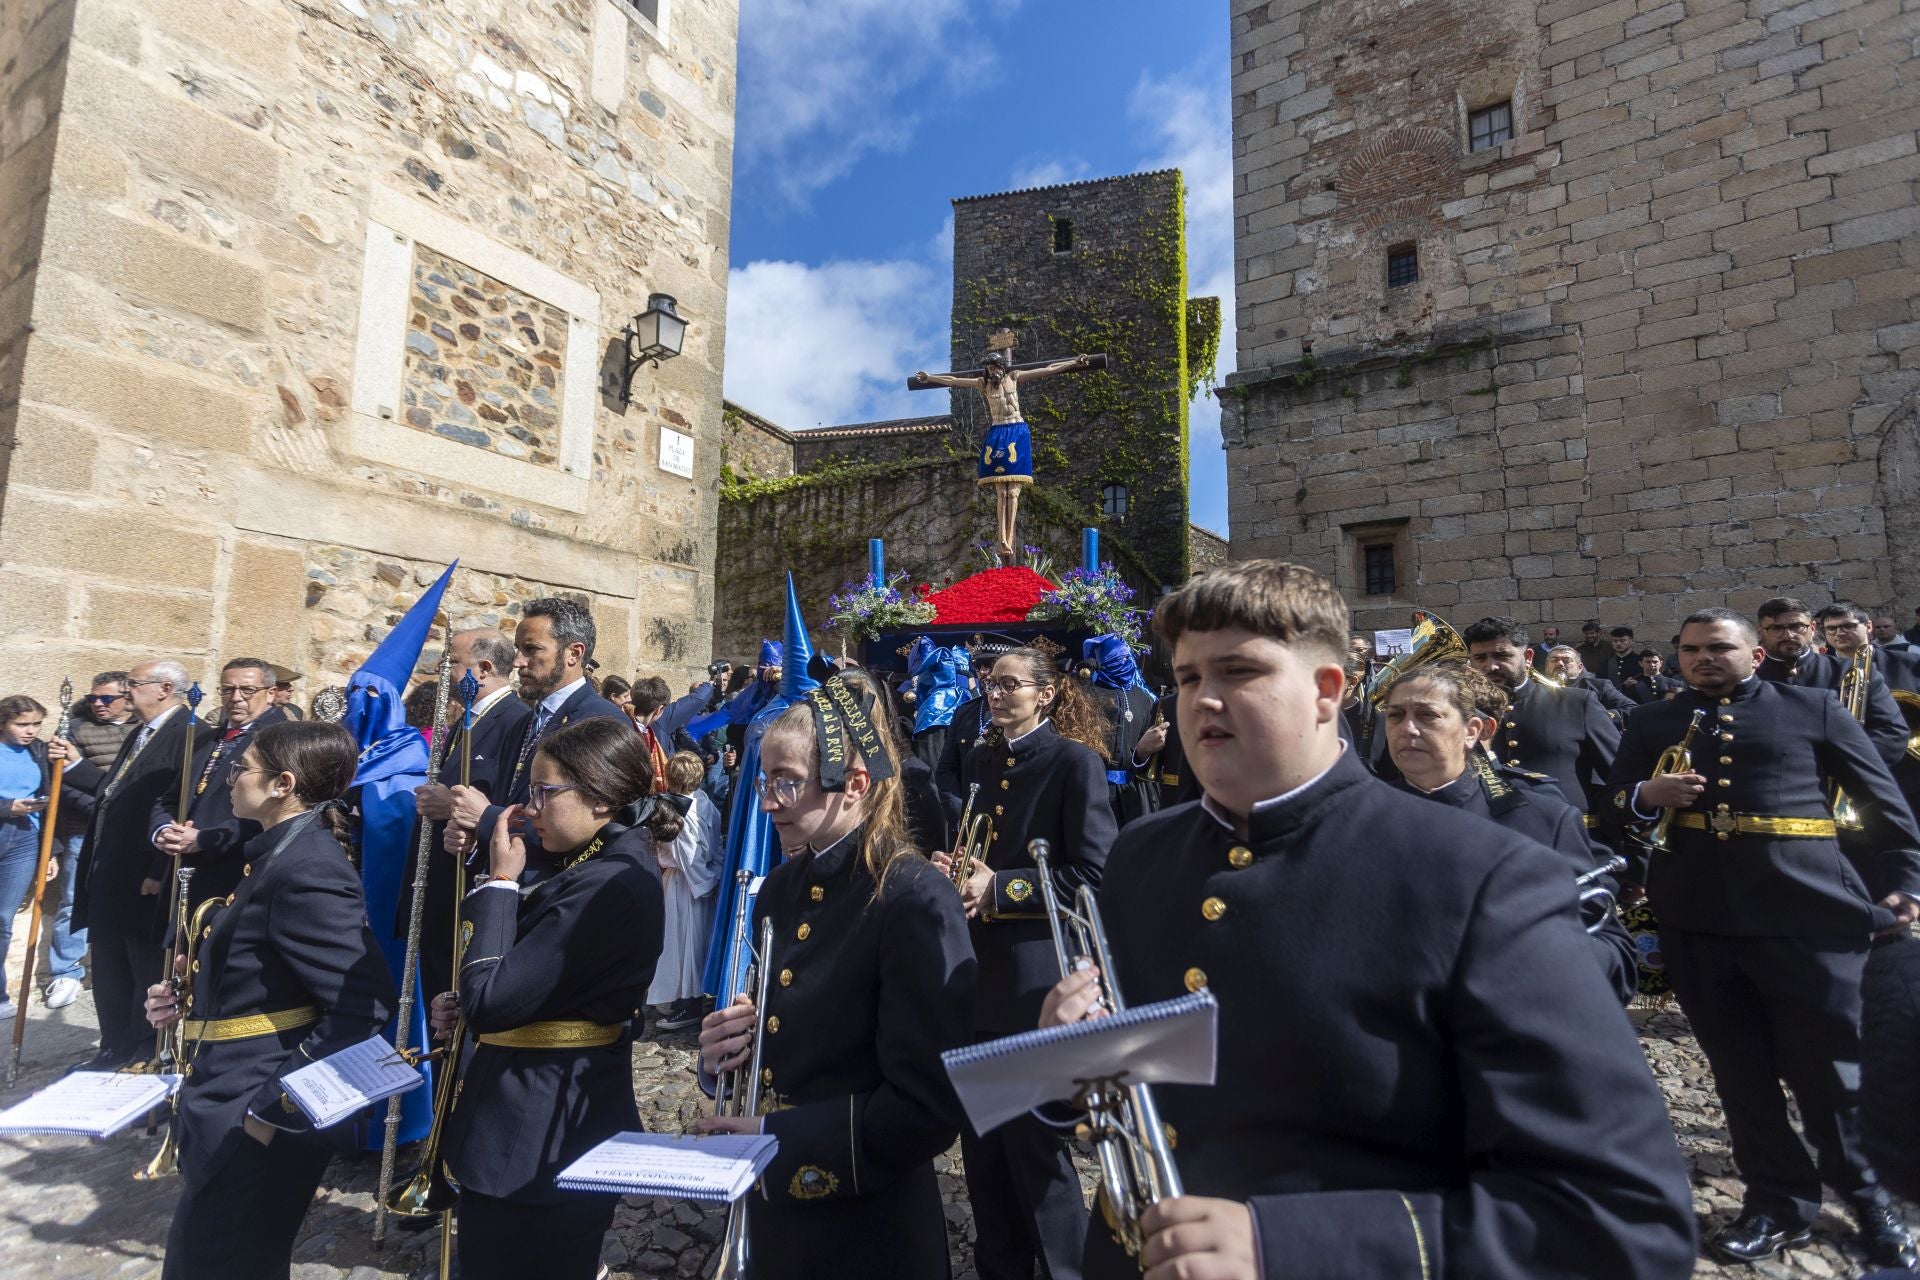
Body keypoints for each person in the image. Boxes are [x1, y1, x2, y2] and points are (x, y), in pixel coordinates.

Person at [1039, 560, 1696, 1279]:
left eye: (1239, 673)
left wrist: (1286, 1244)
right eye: (1191, 677)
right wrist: (1077, 1066)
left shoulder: (1484, 877)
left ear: (1329, 691)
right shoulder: (1143, 852)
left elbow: (1623, 1220)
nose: (1204, 701)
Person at [1604, 609, 1920, 1267]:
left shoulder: (1816, 710)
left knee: (1831, 1073)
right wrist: (1644, 793)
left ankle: (1868, 1201)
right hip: (1699, 923)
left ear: (1752, 652)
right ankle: (1777, 1202)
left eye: (1718, 647)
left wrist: (1907, 886)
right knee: (1740, 1075)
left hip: (1807, 919)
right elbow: (1610, 806)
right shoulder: (1651, 721)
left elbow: (1888, 810)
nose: (1702, 659)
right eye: (1690, 649)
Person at [692, 670, 976, 1278]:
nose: (768, 802)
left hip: (866, 1224)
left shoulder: (913, 897)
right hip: (777, 1206)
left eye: (788, 784)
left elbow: (928, 1104)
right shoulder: (781, 890)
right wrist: (722, 1059)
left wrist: (779, 1139)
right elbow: (780, 1039)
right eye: (765, 781)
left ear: (853, 784)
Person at [142, 720, 398, 1280]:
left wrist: (275, 1106)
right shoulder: (274, 851)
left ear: (283, 784)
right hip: (225, 1087)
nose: (230, 779)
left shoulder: (308, 869)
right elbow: (263, 970)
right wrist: (187, 1002)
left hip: (253, 1108)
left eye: (242, 769)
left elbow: (363, 1005)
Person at [431, 717, 673, 1280]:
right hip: (525, 1118)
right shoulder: (595, 858)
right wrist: (466, 1002)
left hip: (536, 1140)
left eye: (544, 792)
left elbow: (494, 999)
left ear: (602, 796)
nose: (531, 808)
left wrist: (498, 883)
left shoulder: (607, 884)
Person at [932, 646, 1115, 1280]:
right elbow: (976, 848)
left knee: (1038, 1158)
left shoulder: (1074, 762)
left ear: (1045, 693)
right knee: (983, 1160)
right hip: (980, 982)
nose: (995, 692)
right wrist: (953, 873)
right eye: (990, 683)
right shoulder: (982, 758)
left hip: (1036, 987)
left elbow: (1096, 875)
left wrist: (1004, 887)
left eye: (1010, 684)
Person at [1381, 663, 1637, 1003]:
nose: (1407, 729)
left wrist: (1540, 947)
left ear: (1472, 731)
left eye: (1427, 716)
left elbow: (1614, 958)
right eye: (1395, 716)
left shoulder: (1541, 818)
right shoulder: (1354, 816)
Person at [55, 659, 197, 1069]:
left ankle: (141, 1052)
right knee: (110, 967)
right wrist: (76, 765)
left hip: (143, 877)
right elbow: (115, 792)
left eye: (133, 684)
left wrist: (157, 871)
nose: (126, 691)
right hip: (111, 871)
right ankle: (113, 1047)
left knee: (142, 970)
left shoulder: (189, 735)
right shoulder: (142, 732)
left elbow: (176, 808)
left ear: (164, 688)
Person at [444, 597, 628, 877]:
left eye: (531, 649)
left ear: (574, 654)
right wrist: (474, 835)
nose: (518, 661)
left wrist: (487, 819)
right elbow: (512, 801)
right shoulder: (525, 720)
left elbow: (592, 825)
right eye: (518, 649)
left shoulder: (601, 721)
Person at [407, 627, 531, 1003]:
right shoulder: (466, 721)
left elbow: (510, 804)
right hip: (438, 888)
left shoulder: (516, 721)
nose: (444, 675)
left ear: (483, 668)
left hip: (465, 890)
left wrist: (453, 808)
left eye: (453, 665)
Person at [150, 658, 287, 913]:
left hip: (234, 876)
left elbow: (278, 812)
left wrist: (205, 839)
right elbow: (171, 797)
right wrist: (163, 829)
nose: (235, 698)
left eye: (247, 690)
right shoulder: (206, 738)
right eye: (227, 689)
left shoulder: (282, 740)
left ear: (270, 694)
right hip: (183, 874)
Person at [1462, 616, 1620, 819]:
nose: (1491, 666)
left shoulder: (1577, 703)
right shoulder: (1461, 713)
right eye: (1480, 658)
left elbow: (1619, 776)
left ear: (1528, 657)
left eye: (1502, 656)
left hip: (1570, 836)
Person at [44, 673, 130, 1009]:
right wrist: (102, 809)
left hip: (131, 831)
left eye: (107, 699)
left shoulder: (142, 730)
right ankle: (65, 970)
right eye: (94, 697)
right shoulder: (74, 728)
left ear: (127, 697)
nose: (98, 704)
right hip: (86, 826)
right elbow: (60, 782)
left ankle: (115, 968)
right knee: (73, 900)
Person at [1755, 597, 1908, 765]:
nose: (1788, 635)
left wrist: (1832, 761)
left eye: (1797, 626)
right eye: (1776, 628)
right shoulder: (1747, 677)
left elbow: (1891, 733)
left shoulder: (1853, 671)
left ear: (1812, 628)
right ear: (1760, 632)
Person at [648, 750, 721, 1032]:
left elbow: (688, 854)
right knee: (686, 942)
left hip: (686, 884)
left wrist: (703, 883)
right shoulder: (705, 803)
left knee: (684, 943)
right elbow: (713, 845)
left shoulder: (677, 811)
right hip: (695, 881)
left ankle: (687, 1001)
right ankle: (677, 996)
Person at [0, 696, 56, 1022]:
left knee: (3, 919)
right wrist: (7, 808)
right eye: (22, 724)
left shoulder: (38, 751)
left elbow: (54, 801)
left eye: (36, 724)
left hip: (25, 839)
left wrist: (52, 852)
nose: (30, 731)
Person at [1080, 635, 1159, 828]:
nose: (1124, 663)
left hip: (1134, 792)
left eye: (1127, 658)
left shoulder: (1144, 698)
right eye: (1117, 659)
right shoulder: (1085, 695)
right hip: (1093, 791)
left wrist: (1141, 753)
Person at [1544, 646, 1637, 717]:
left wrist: (1597, 716)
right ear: (1546, 666)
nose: (1560, 663)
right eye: (1554, 660)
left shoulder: (1599, 686)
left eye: (1566, 660)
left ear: (1580, 667)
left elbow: (1631, 709)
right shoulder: (1536, 688)